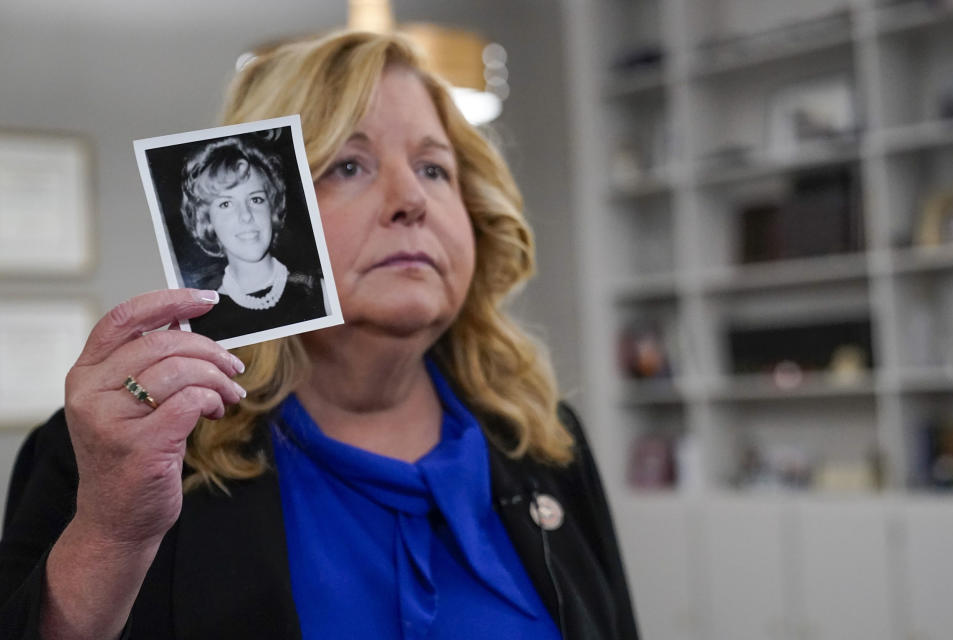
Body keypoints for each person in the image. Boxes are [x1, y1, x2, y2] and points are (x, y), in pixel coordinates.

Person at [0, 30, 639, 640]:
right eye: (349, 166)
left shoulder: (546, 442)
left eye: (435, 169)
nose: (410, 199)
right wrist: (110, 536)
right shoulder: (119, 456)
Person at [178, 135, 326, 341]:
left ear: (272, 208)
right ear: (207, 220)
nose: (246, 215)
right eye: (226, 204)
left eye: (256, 199)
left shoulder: (320, 290)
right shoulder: (201, 321)